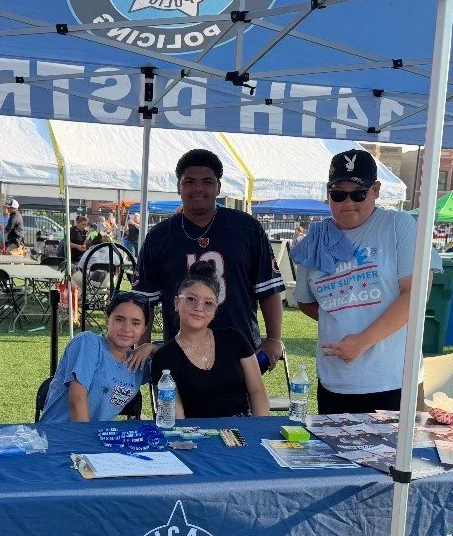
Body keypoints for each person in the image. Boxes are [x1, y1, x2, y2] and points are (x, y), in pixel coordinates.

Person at [290, 149, 424, 414]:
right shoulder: (314, 241)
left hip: (392, 378)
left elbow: (416, 295)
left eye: (358, 193)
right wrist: (346, 313)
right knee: (334, 454)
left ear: (376, 189)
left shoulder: (399, 226)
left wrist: (364, 339)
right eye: (338, 194)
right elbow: (306, 302)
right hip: (334, 381)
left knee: (393, 455)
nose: (347, 202)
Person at [131, 148, 285, 372]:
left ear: (219, 187)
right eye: (189, 181)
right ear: (178, 186)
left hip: (240, 350)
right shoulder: (159, 236)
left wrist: (273, 339)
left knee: (243, 407)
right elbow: (145, 301)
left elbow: (268, 288)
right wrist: (143, 347)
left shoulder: (246, 228)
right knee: (179, 407)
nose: (198, 188)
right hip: (180, 352)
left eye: (207, 181)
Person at [151, 261, 270, 419]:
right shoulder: (165, 357)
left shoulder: (234, 339)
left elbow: (257, 391)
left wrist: (257, 430)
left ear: (215, 311)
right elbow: (176, 418)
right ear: (176, 303)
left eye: (208, 303)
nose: (199, 308)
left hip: (242, 432)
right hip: (197, 436)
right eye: (191, 299)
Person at [39, 291, 152, 423]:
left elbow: (175, 356)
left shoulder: (138, 363)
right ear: (107, 320)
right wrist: (87, 442)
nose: (127, 329)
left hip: (98, 438)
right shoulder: (89, 343)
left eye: (136, 323)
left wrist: (152, 347)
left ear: (144, 329)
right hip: (59, 435)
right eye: (119, 319)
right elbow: (77, 399)